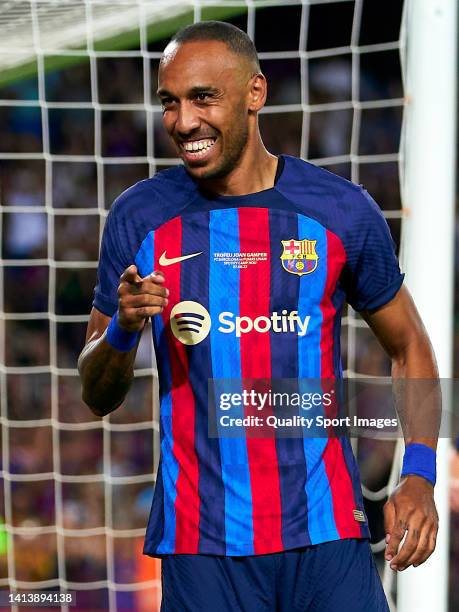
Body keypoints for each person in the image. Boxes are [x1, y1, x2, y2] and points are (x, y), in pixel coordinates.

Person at [78, 21, 439, 612]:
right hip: (202, 548)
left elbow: (410, 346)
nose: (183, 121)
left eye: (202, 98)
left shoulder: (340, 211)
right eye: (169, 102)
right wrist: (122, 327)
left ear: (255, 94)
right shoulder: (139, 218)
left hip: (326, 537)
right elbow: (96, 393)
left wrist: (420, 470)